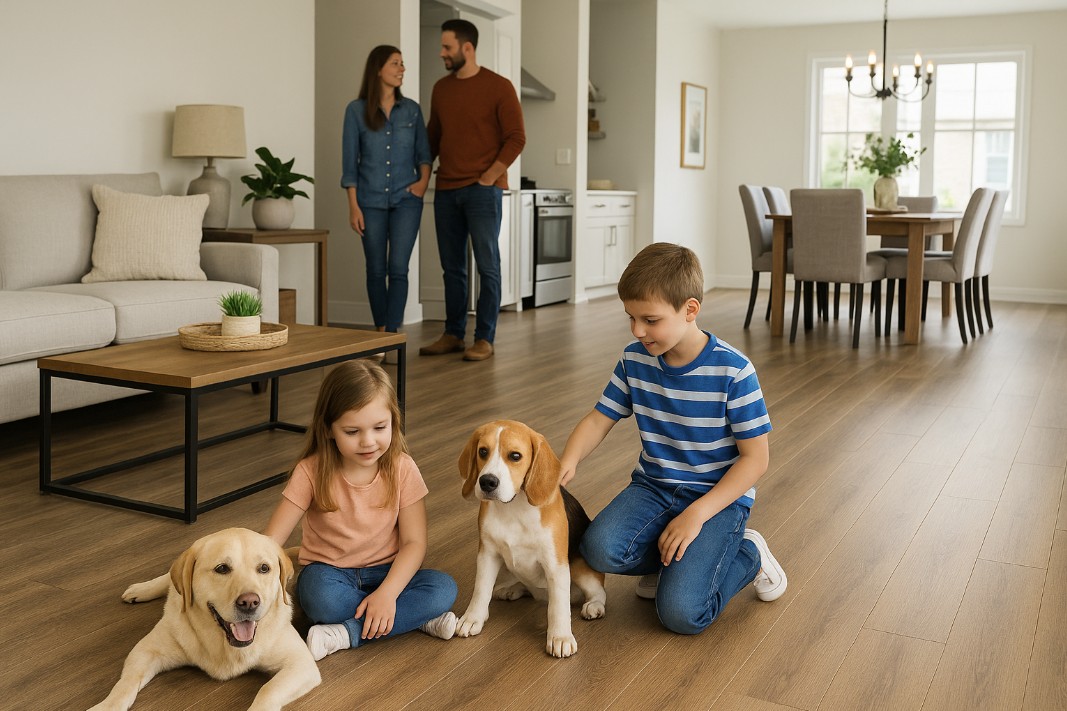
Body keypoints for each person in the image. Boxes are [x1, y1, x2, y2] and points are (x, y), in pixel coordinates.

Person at [558, 243, 787, 635]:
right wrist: (569, 459)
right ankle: (673, 559)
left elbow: (756, 460)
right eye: (631, 318)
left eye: (650, 320)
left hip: (717, 499)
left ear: (690, 310)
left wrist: (696, 514)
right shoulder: (634, 359)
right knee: (596, 549)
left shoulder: (734, 371)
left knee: (682, 615)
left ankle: (748, 554)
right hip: (654, 487)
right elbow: (599, 419)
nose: (637, 331)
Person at [264, 360, 457, 661]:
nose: (368, 441)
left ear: (393, 421)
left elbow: (414, 543)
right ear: (328, 429)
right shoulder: (310, 471)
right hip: (330, 574)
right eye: (352, 431)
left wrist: (388, 593)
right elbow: (270, 542)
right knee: (317, 595)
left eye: (380, 428)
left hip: (388, 572)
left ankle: (346, 633)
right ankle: (413, 618)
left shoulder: (403, 468)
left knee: (443, 588)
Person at [418, 18, 525, 362]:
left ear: (467, 47)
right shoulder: (441, 89)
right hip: (446, 189)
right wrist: (421, 177)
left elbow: (516, 138)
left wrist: (489, 176)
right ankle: (453, 334)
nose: (441, 53)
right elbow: (433, 138)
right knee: (452, 268)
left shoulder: (499, 86)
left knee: (487, 266)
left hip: (482, 191)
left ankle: (484, 338)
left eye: (447, 47)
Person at [341, 45, 431, 335]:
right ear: (378, 69)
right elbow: (349, 164)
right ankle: (381, 330)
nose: (402, 69)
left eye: (402, 63)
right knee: (376, 269)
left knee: (399, 268)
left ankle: (391, 334)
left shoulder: (412, 110)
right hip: (369, 201)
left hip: (407, 200)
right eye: (395, 63)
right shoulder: (355, 111)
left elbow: (424, 154)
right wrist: (353, 206)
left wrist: (422, 184)